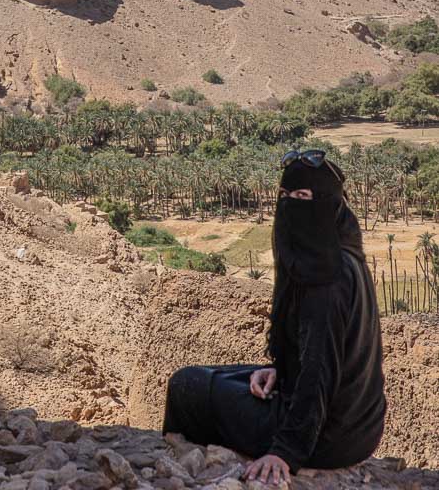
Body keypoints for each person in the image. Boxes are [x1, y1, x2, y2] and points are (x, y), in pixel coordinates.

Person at [162, 149, 386, 486]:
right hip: (357, 428)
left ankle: (190, 473)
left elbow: (318, 372)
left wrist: (286, 451)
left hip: (326, 438)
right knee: (226, 376)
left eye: (302, 196)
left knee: (186, 386)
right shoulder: (343, 255)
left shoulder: (324, 281)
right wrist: (282, 372)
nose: (289, 205)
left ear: (327, 202)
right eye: (284, 195)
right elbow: (322, 356)